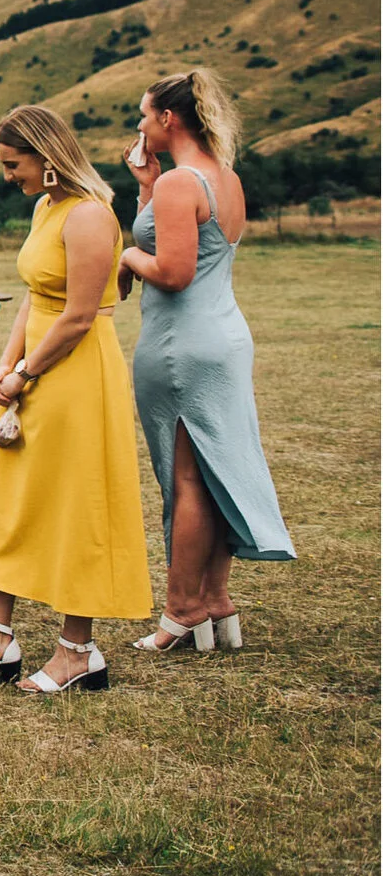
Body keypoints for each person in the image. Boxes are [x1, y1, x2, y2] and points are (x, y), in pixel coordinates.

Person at [0, 106, 153, 693]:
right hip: (34, 368)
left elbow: (80, 315)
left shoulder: (89, 215)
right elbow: (36, 297)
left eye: (14, 164)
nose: (8, 175)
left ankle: (77, 651)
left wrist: (27, 371)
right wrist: (7, 363)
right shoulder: (46, 208)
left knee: (72, 502)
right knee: (3, 494)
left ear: (47, 155)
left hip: (77, 374)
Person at [121, 68, 294, 653]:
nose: (140, 126)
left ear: (168, 119)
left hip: (181, 344)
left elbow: (171, 271)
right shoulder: (223, 178)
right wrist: (146, 186)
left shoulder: (180, 185)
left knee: (187, 478)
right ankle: (216, 601)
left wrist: (124, 253)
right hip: (222, 335)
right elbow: (180, 247)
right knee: (212, 471)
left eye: (145, 115)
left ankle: (181, 610)